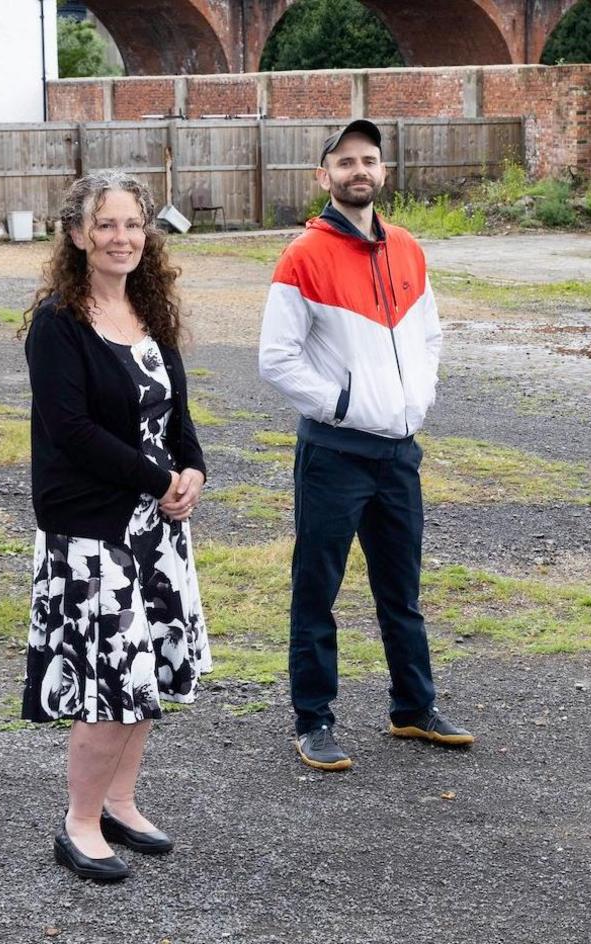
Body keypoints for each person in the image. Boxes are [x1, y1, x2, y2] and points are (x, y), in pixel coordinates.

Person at [258, 118, 473, 772]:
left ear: (383, 172)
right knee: (316, 587)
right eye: (345, 161)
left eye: (369, 160)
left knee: (400, 589)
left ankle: (412, 708)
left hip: (398, 453)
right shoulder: (304, 256)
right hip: (335, 453)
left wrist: (418, 403)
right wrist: (344, 406)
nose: (359, 170)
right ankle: (313, 719)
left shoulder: (407, 247)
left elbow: (430, 336)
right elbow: (276, 358)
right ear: (324, 177)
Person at [19, 172, 213, 882]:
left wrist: (192, 469)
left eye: (132, 224)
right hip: (92, 532)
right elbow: (70, 432)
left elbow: (176, 414)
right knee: (107, 681)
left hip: (157, 529)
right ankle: (78, 823)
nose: (121, 238)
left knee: (145, 673)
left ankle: (121, 803)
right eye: (105, 225)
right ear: (76, 235)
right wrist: (159, 479)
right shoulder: (57, 325)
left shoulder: (149, 312)